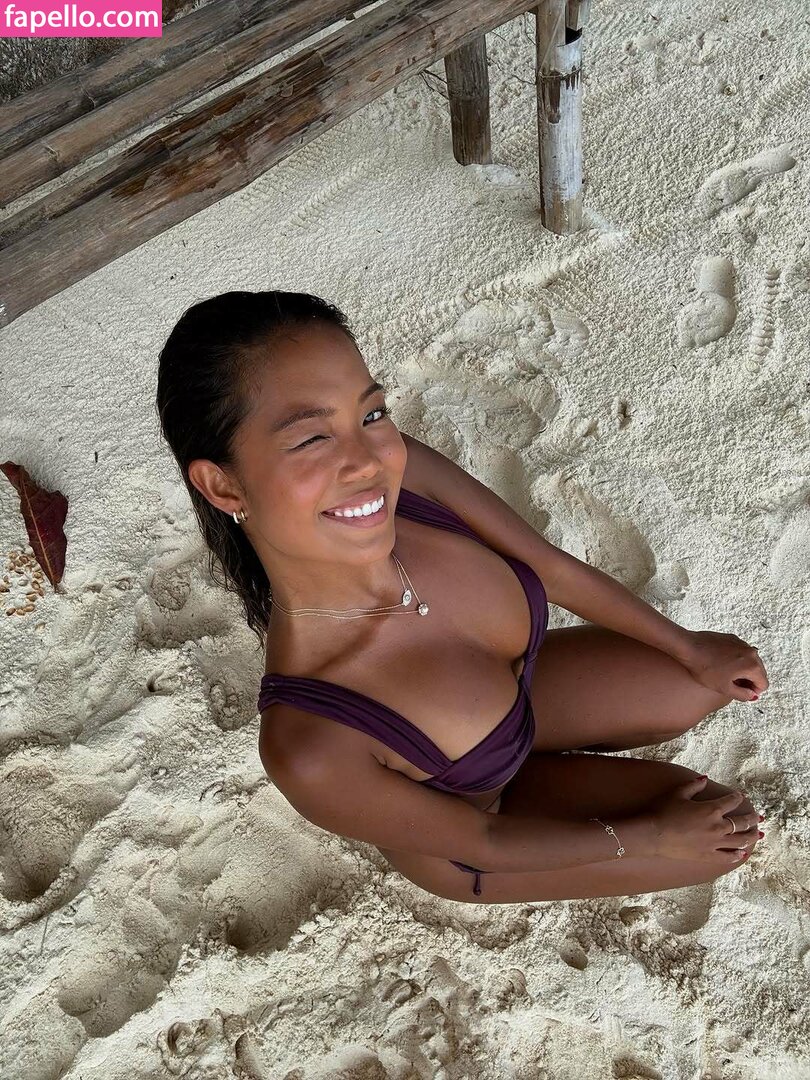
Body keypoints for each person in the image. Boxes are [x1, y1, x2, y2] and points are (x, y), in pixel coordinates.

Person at [155, 290, 767, 904]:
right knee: (725, 830)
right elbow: (485, 842)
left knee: (698, 680)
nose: (368, 463)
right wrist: (651, 836)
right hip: (488, 828)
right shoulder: (309, 741)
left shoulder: (409, 478)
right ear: (223, 485)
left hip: (524, 698)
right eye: (312, 438)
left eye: (370, 414)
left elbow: (549, 568)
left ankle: (550, 745)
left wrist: (687, 646)